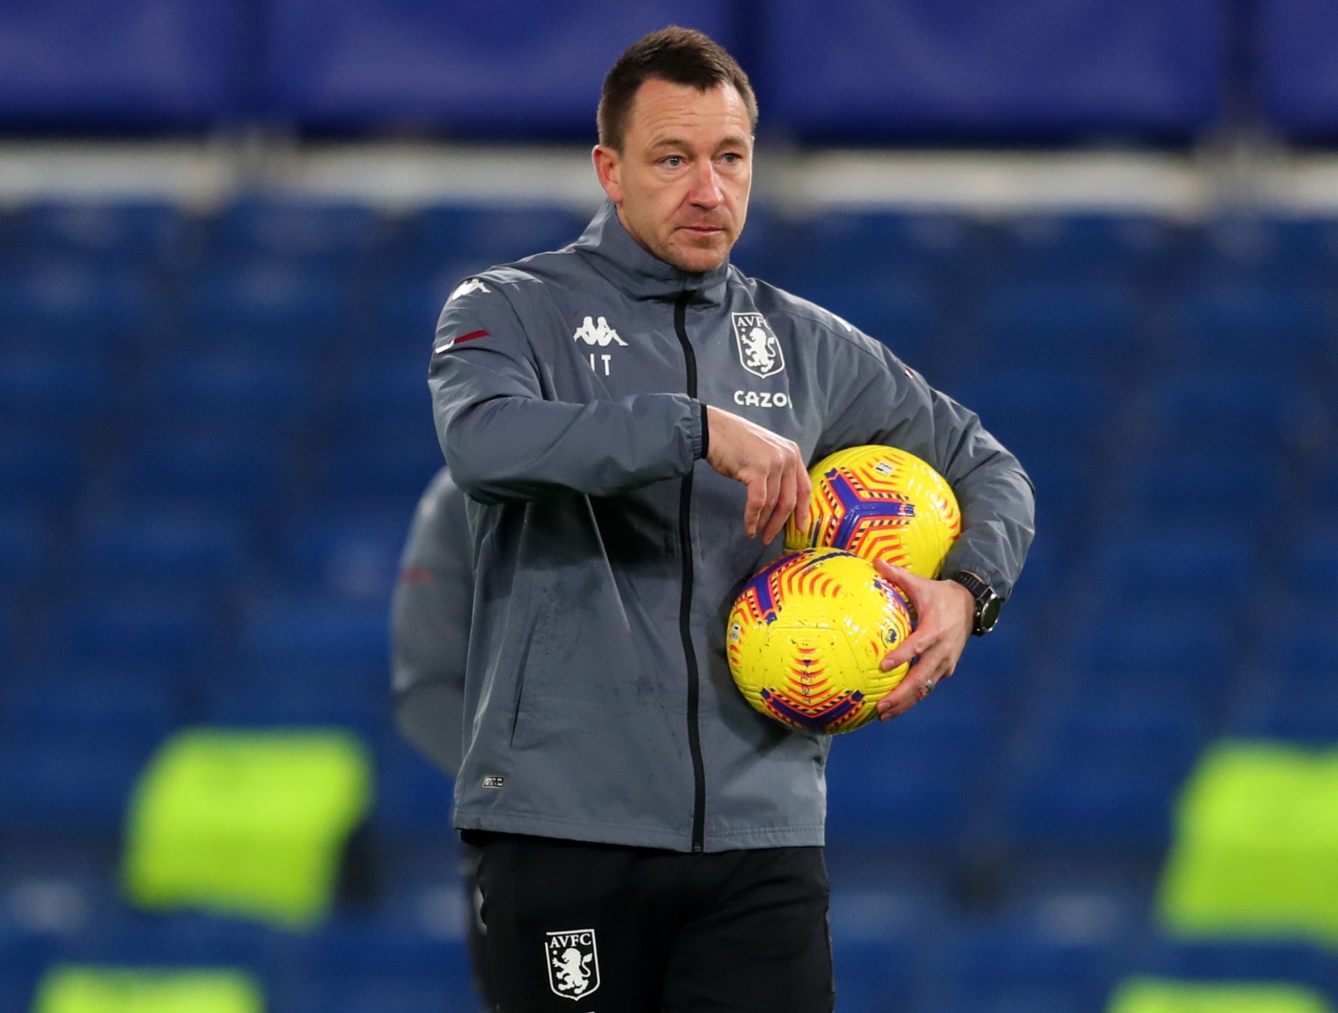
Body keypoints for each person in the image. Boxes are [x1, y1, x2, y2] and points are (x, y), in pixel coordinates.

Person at [428, 26, 1035, 1012]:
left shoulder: (806, 344)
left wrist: (967, 589)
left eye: (731, 157)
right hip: (563, 831)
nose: (709, 189)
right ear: (610, 170)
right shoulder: (510, 309)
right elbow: (486, 446)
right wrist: (694, 429)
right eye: (673, 158)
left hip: (764, 841)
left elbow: (987, 465)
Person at [390, 467, 493, 1011]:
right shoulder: (462, 495)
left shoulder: (725, 469)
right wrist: (527, 794)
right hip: (527, 857)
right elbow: (424, 693)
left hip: (722, 852)